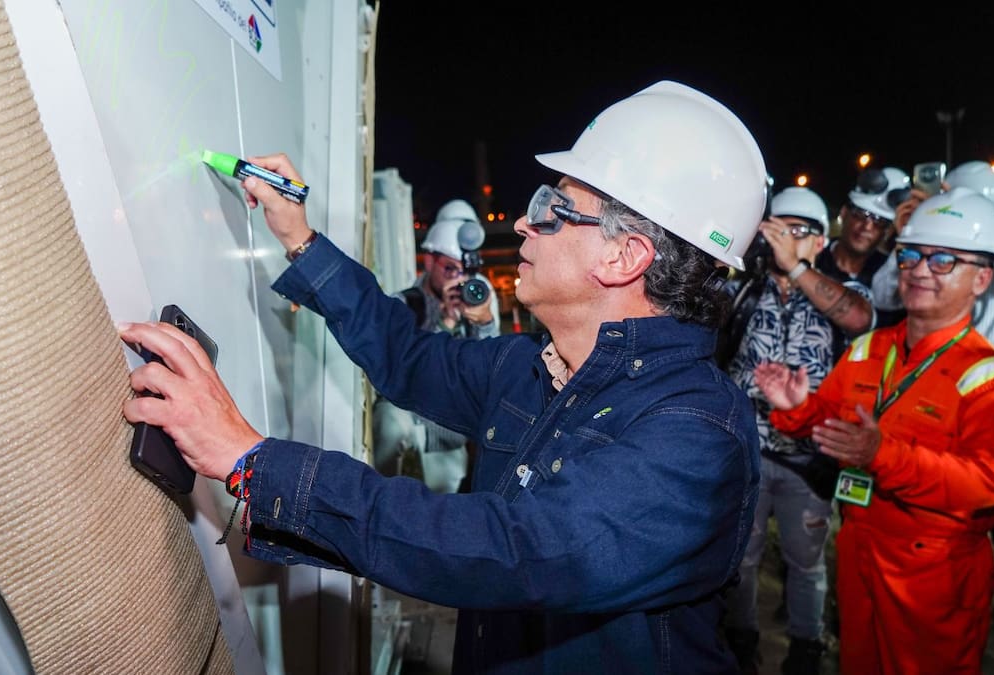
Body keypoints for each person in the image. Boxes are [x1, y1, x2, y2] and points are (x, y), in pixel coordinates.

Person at [118, 80, 768, 673]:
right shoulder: (527, 368)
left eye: (554, 208)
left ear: (625, 255)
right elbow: (404, 355)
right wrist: (301, 239)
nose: (521, 224)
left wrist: (253, 459)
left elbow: (515, 550)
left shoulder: (696, 432)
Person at [756, 187, 994, 674]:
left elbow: (986, 485)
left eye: (944, 260)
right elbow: (838, 426)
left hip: (936, 573)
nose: (921, 270)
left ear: (982, 279)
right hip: (861, 549)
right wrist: (798, 408)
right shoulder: (871, 348)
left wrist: (882, 455)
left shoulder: (990, 382)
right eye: (910, 256)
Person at [874, 164, 994, 674]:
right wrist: (908, 237)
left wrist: (968, 240)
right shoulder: (925, 254)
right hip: (933, 408)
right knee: (933, 525)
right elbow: (888, 292)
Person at [721, 186, 873, 675]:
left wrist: (799, 270)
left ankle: (806, 648)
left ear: (821, 242)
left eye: (801, 231)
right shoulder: (743, 289)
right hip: (746, 452)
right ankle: (741, 641)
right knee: (740, 560)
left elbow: (860, 319)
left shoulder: (843, 293)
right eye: (779, 228)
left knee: (805, 562)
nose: (788, 239)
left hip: (810, 456)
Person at [372, 201, 500, 494]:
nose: (458, 279)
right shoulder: (404, 304)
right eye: (449, 268)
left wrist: (481, 322)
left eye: (463, 270)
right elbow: (394, 368)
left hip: (449, 428)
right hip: (410, 415)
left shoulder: (476, 301)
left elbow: (493, 369)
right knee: (391, 423)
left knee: (445, 507)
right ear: (429, 261)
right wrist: (443, 323)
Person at [815, 167, 908, 348]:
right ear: (843, 213)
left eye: (878, 222)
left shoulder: (890, 276)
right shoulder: (814, 260)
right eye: (861, 215)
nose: (867, 227)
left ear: (887, 232)